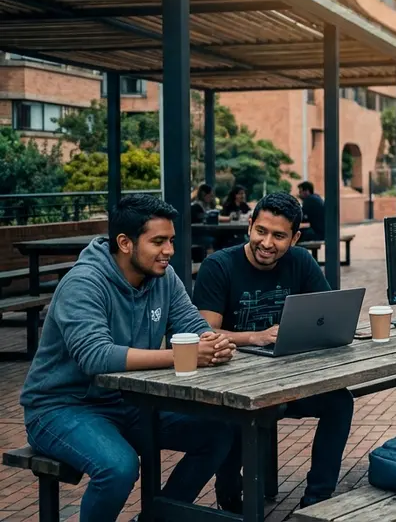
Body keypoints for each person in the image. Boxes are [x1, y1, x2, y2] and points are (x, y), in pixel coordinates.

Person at [20, 195, 235, 522]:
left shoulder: (164, 277)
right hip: (60, 407)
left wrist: (213, 342)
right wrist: (183, 356)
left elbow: (194, 326)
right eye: (158, 242)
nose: (169, 251)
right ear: (124, 243)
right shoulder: (83, 283)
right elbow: (96, 357)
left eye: (171, 240)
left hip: (129, 401)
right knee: (118, 468)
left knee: (219, 432)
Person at [192, 192, 352, 512]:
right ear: (249, 225)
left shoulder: (301, 261)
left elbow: (326, 314)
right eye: (261, 231)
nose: (267, 243)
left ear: (294, 238)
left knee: (340, 402)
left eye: (279, 236)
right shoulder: (218, 266)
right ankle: (229, 491)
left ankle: (317, 499)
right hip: (233, 382)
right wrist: (256, 337)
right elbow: (205, 334)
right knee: (252, 413)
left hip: (285, 378)